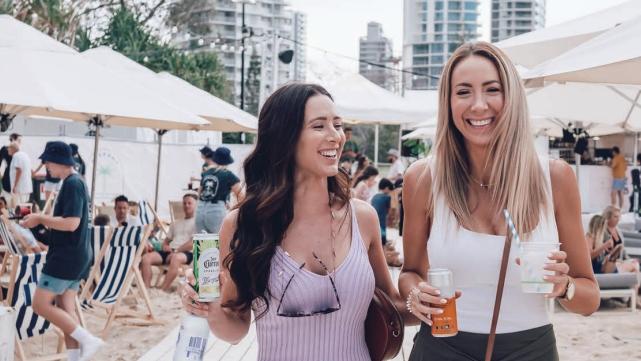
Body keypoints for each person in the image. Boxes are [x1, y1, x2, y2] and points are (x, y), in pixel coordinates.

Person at [400, 42, 599, 360]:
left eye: (492, 90)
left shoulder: (555, 178)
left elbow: (589, 299)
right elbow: (410, 271)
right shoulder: (423, 179)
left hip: (531, 350)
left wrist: (564, 288)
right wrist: (415, 294)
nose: (478, 105)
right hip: (442, 346)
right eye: (463, 92)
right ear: (448, 102)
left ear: (513, 98)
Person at [180, 83, 407, 361]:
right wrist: (211, 310)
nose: (336, 136)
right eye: (319, 126)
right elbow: (235, 326)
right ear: (284, 138)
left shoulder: (363, 218)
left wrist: (430, 301)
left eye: (337, 125)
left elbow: (395, 306)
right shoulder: (243, 224)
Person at [20, 141, 103, 361]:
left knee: (40, 304)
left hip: (66, 257)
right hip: (76, 255)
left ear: (58, 160)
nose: (46, 165)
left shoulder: (73, 183)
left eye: (47, 161)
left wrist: (39, 218)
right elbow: (69, 224)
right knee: (65, 308)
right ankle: (75, 357)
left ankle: (88, 340)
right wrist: (40, 225)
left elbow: (71, 223)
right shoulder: (75, 182)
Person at [140, 193, 197, 291]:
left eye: (189, 203)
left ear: (196, 205)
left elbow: (192, 243)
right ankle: (147, 288)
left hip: (187, 253)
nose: (186, 205)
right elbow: (166, 241)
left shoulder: (198, 223)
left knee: (176, 258)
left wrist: (176, 250)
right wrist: (165, 246)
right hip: (171, 251)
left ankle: (163, 289)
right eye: (184, 203)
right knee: (146, 258)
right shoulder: (176, 223)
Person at [195, 146, 242, 234]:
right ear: (227, 161)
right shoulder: (228, 175)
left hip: (200, 209)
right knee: (219, 241)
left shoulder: (206, 173)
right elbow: (241, 195)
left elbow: (199, 192)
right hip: (216, 211)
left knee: (202, 242)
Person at [602, 206, 640, 274]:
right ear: (608, 217)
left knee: (635, 265)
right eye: (615, 217)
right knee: (634, 268)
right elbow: (603, 253)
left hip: (620, 261)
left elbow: (622, 249)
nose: (618, 219)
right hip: (609, 264)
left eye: (619, 217)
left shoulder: (618, 230)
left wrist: (629, 259)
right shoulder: (603, 232)